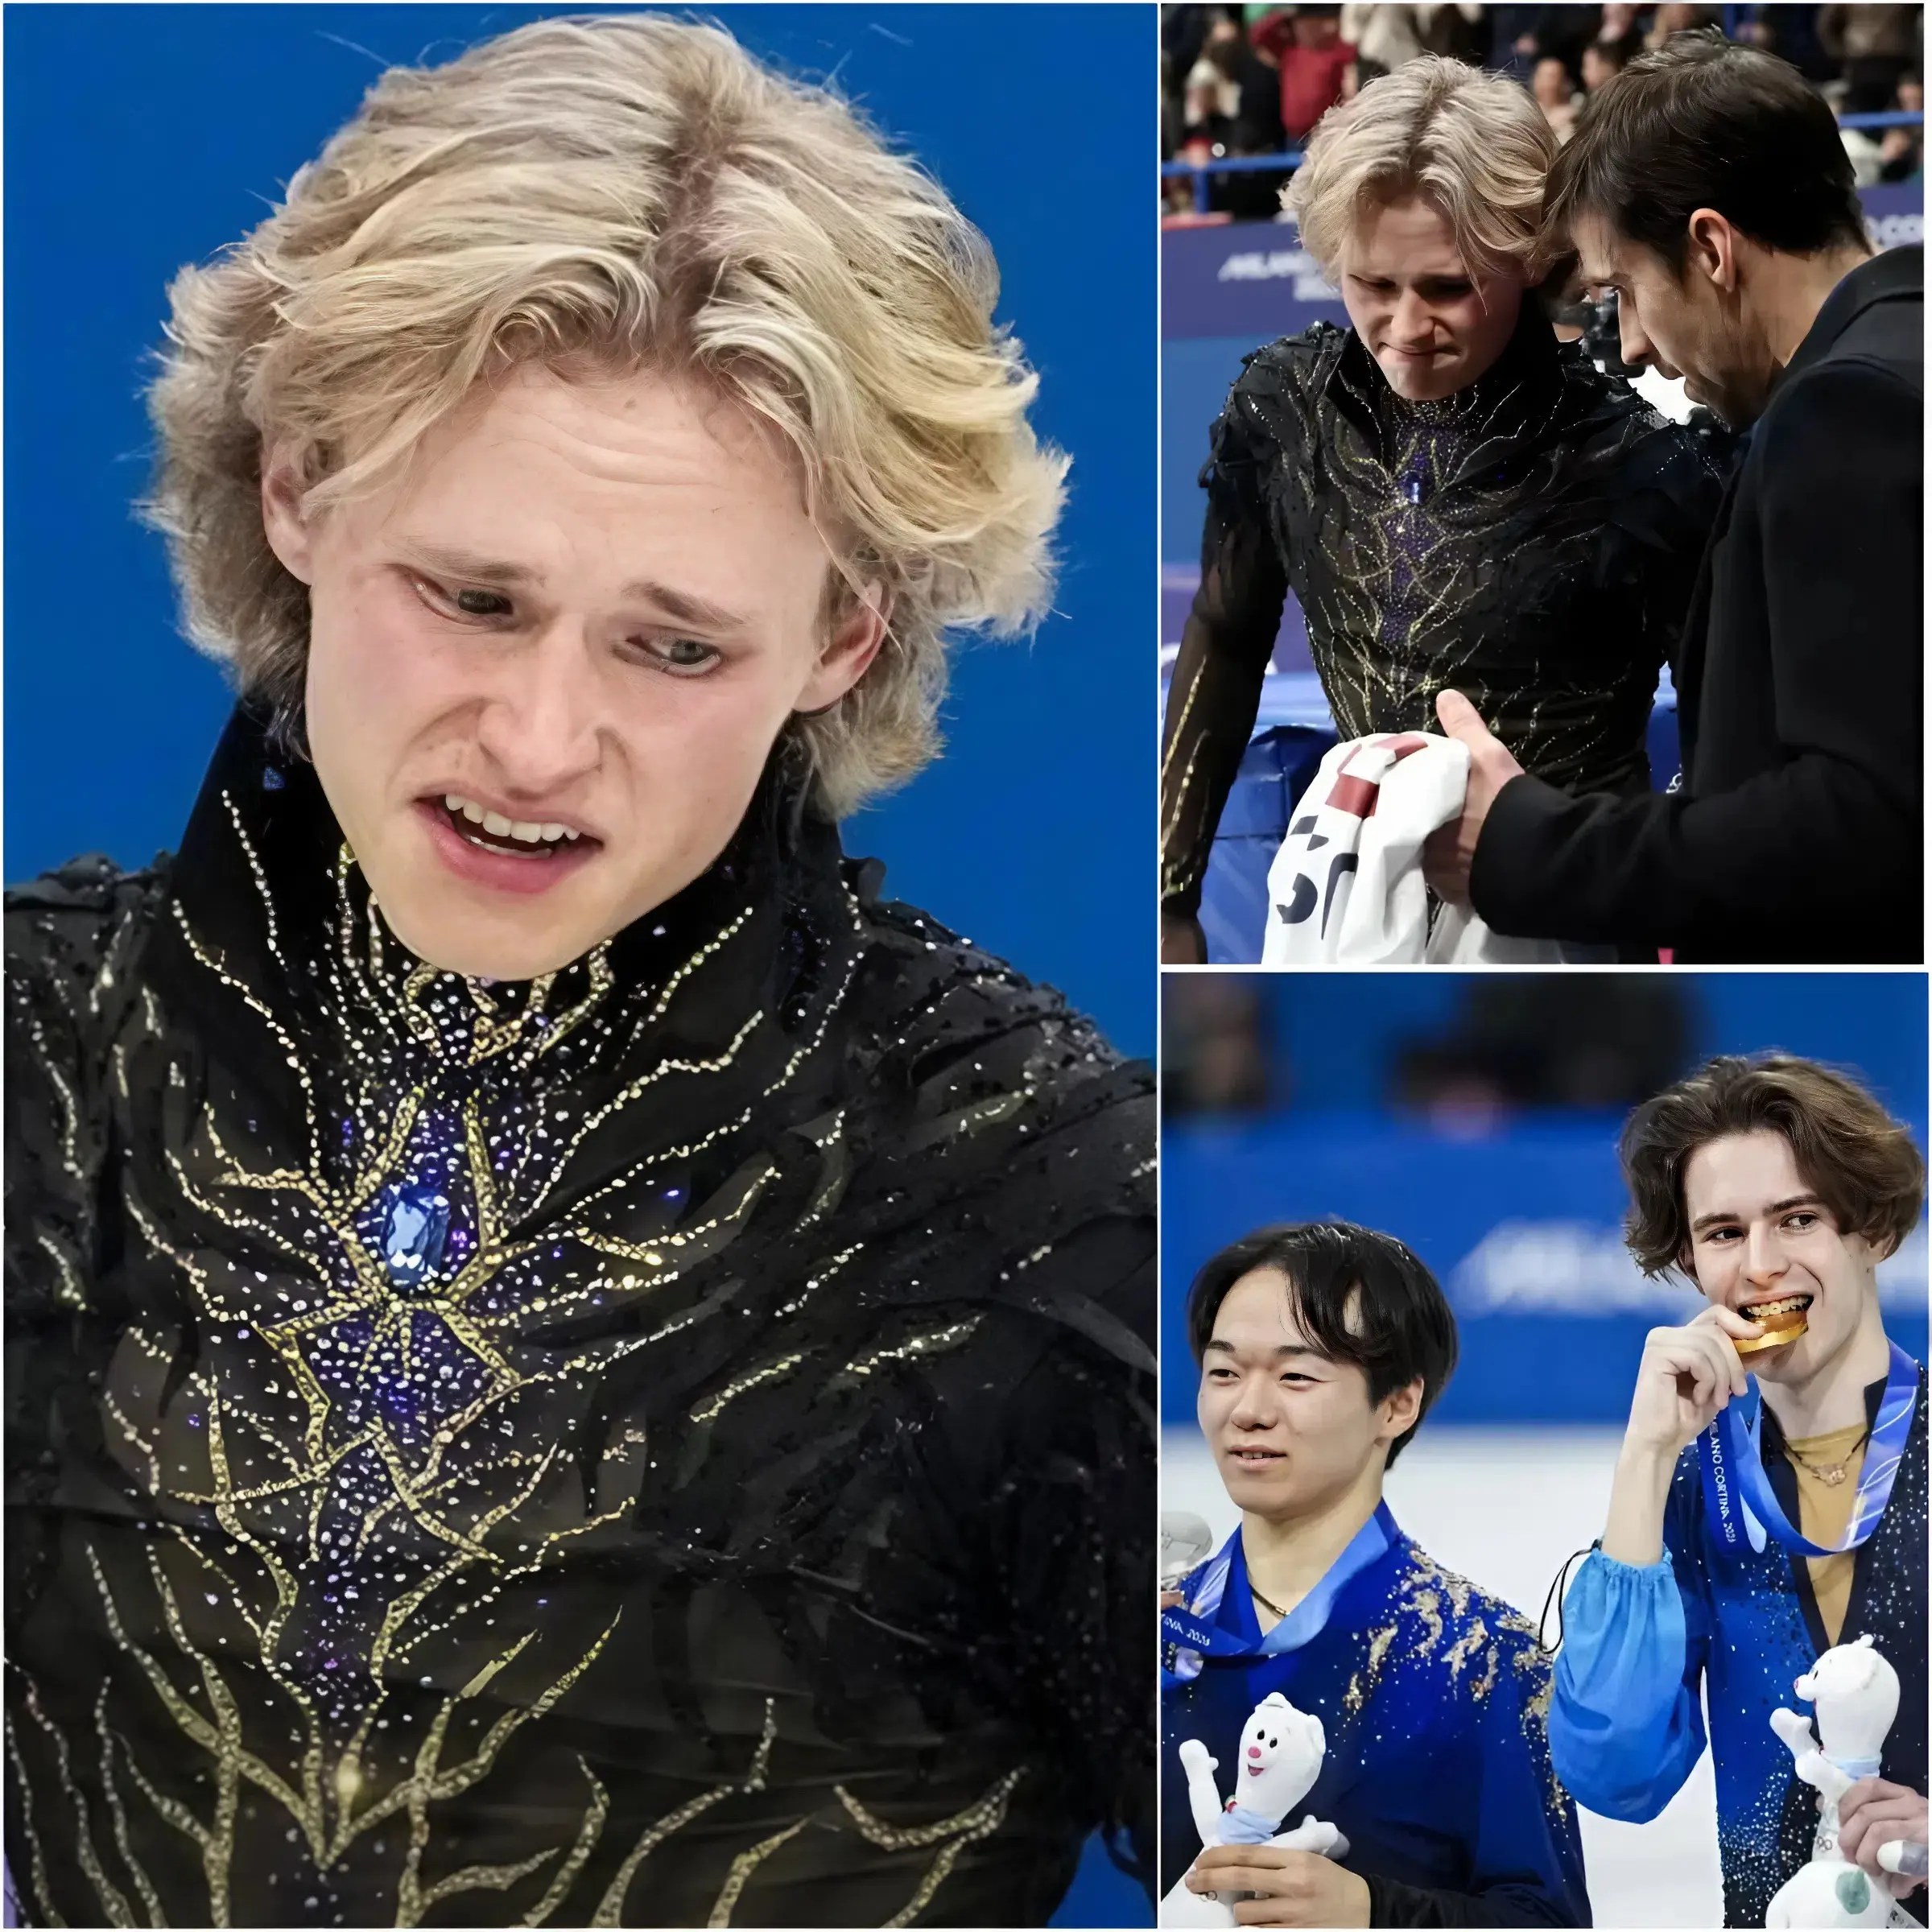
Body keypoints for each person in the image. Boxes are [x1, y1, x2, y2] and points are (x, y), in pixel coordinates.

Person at [3, 18, 1155, 1928]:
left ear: (844, 635)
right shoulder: (32, 1063)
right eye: (474, 598)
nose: (539, 742)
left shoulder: (1046, 1208)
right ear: (299, 488)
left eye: (673, 647)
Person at [1159, 56, 1724, 962]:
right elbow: (1227, 633)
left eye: (1448, 287)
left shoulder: (1640, 461)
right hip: (1340, 910)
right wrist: (1169, 894)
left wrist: (1667, 910)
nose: (1406, 328)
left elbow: (1726, 734)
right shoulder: (1283, 410)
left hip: (1565, 929)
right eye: (1373, 285)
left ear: (1530, 257)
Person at [1425, 31, 1923, 964]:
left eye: (1624, 291)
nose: (1632, 348)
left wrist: (1532, 846)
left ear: (1710, 248)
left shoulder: (1843, 414)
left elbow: (1862, 828)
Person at [1549, 1055, 1927, 1927]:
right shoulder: (1698, 1487)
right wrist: (1646, 1456)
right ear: (1690, 1261)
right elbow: (1615, 1771)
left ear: (1872, 1232)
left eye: (1798, 1219)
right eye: (1723, 1233)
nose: (1761, 1266)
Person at [1161, 1223, 1589, 1926]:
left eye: (1296, 1377)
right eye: (1225, 1373)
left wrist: (1373, 1911)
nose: (1248, 1411)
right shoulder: (1153, 1633)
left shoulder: (1480, 1657)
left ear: (1396, 1405)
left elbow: (1546, 1918)